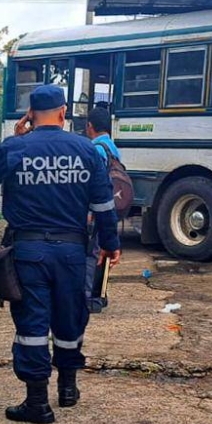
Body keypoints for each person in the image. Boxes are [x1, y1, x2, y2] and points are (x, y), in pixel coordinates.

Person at [0, 85, 121, 424]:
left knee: (32, 324)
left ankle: (37, 402)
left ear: (30, 114)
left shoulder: (16, 147)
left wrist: (15, 137)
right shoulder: (86, 150)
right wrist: (111, 244)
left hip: (28, 253)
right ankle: (68, 389)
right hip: (72, 252)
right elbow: (103, 204)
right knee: (71, 319)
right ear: (63, 111)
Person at [84, 106, 121, 313]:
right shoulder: (111, 147)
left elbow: (94, 184)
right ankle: (100, 295)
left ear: (90, 126)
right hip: (112, 203)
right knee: (101, 253)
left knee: (92, 253)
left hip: (97, 208)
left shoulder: (96, 149)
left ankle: (91, 298)